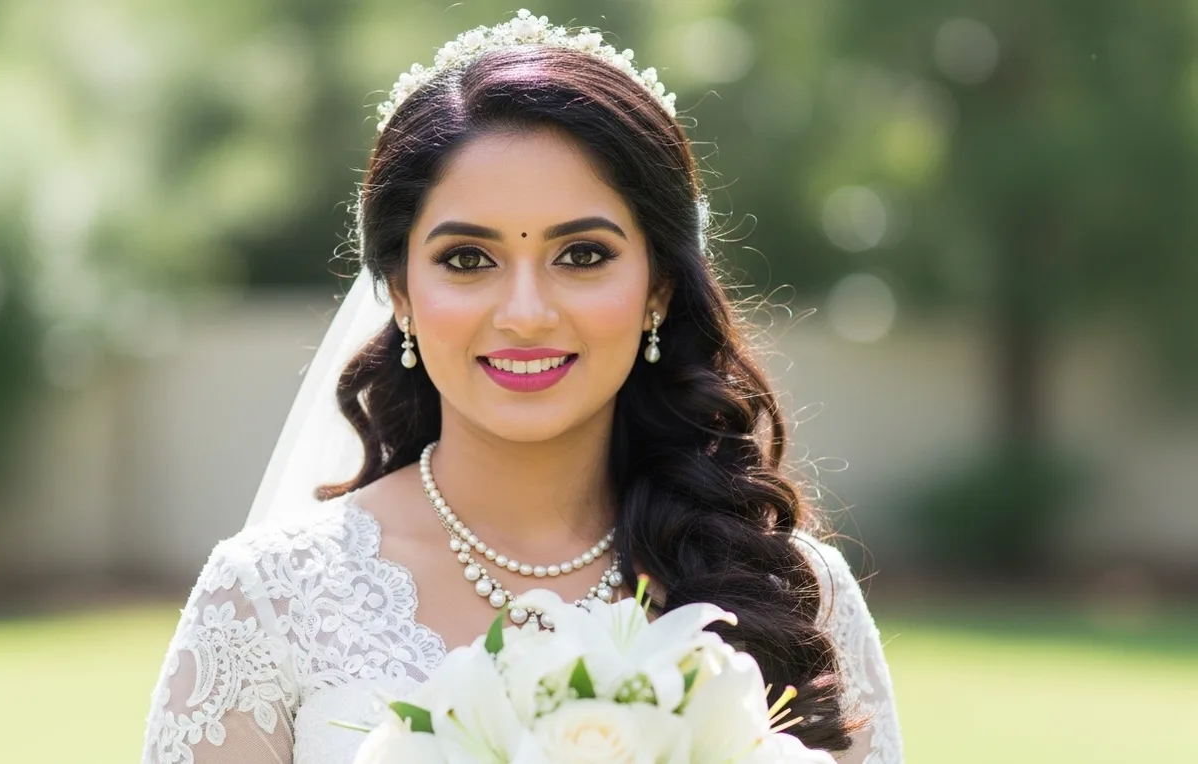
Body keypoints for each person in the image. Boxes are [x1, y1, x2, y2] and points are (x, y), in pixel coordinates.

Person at [141, 11, 903, 764]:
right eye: (469, 259)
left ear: (660, 287)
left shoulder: (794, 595)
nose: (527, 313)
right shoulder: (269, 601)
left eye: (582, 254)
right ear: (401, 291)